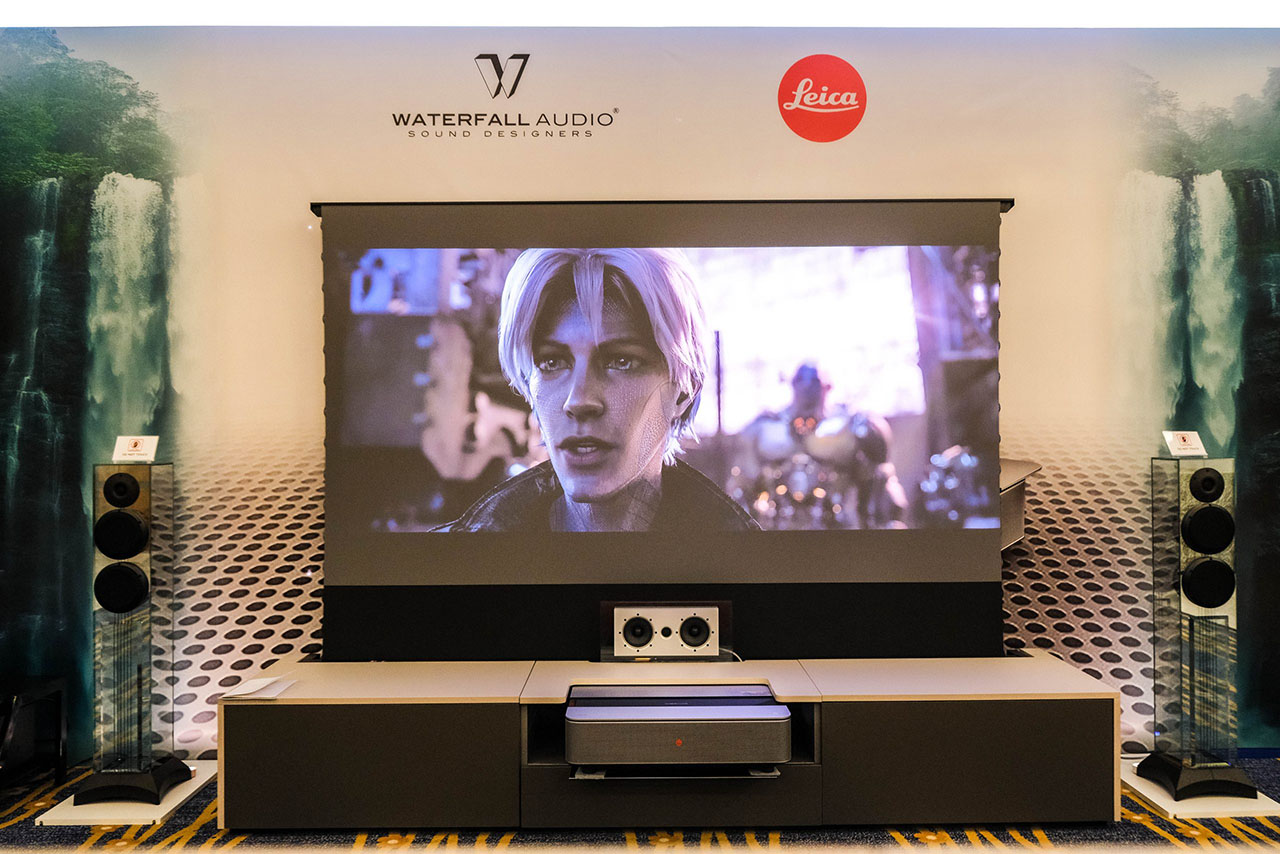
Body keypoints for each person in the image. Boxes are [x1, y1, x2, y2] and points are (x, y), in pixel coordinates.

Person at [434, 248, 759, 533]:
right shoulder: (453, 567)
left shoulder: (750, 568)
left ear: (683, 391)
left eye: (621, 361)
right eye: (551, 362)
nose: (579, 401)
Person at [730, 363, 908, 530]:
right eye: (801, 380)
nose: (807, 387)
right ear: (793, 384)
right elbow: (741, 490)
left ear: (827, 386)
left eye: (814, 381)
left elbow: (881, 490)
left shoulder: (856, 426)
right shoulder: (762, 429)